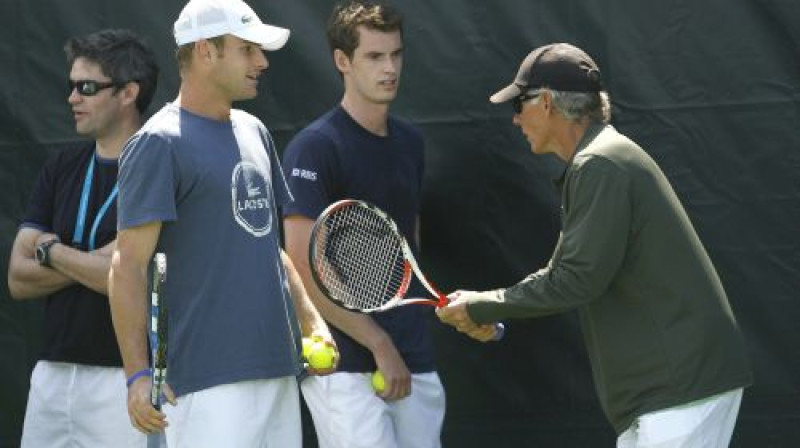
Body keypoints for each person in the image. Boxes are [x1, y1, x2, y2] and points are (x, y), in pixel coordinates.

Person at [436, 43, 753, 447]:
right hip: (666, 393)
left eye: (519, 104)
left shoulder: (599, 164)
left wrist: (482, 305)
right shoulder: (598, 160)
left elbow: (575, 281)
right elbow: (563, 275)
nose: (515, 120)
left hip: (680, 388)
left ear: (547, 102)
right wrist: (490, 317)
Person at [107, 0, 335, 447]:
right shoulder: (157, 143)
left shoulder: (255, 131)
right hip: (203, 387)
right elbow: (127, 265)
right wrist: (137, 375)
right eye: (248, 49)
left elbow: (270, 249)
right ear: (206, 51)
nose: (262, 62)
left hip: (278, 371)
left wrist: (313, 324)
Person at [281, 2, 445, 447]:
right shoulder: (314, 148)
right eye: (375, 56)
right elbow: (301, 263)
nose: (390, 68)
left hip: (413, 356)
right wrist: (377, 343)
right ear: (342, 61)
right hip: (343, 364)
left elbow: (407, 243)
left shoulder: (410, 142)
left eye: (396, 54)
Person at [6, 29, 158, 447]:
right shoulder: (62, 166)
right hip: (52, 373)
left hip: (125, 378)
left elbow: (125, 274)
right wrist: (97, 261)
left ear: (128, 93)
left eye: (87, 87)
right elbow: (18, 279)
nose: (73, 98)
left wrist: (50, 250)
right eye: (71, 86)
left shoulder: (157, 168)